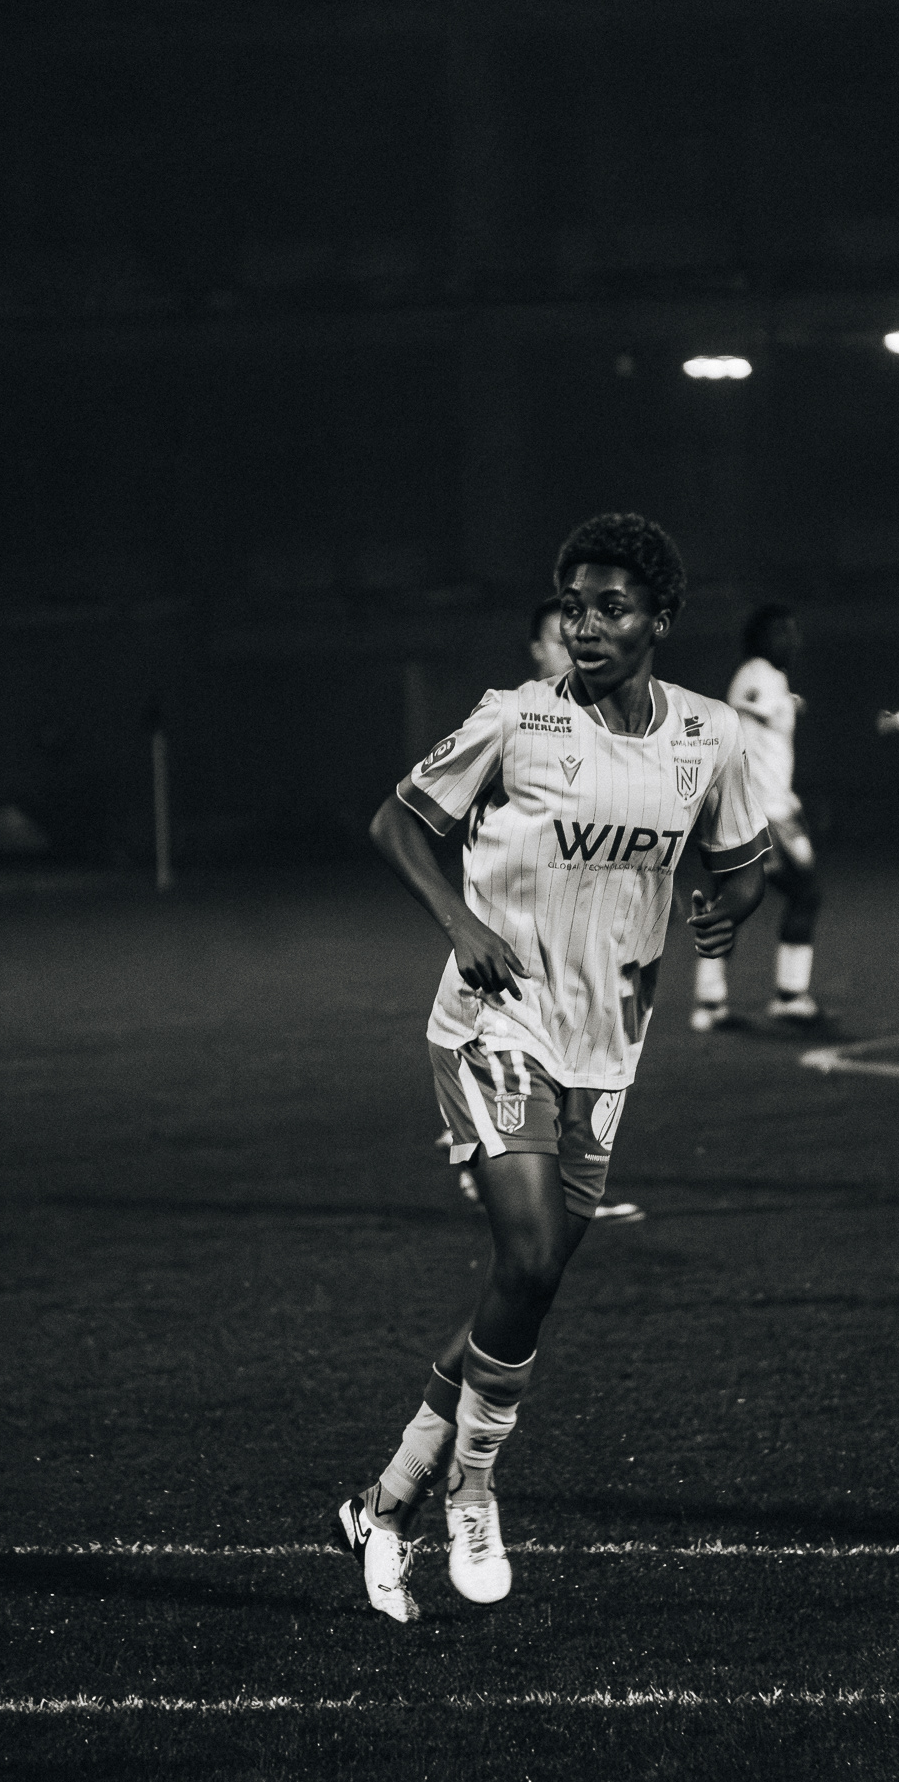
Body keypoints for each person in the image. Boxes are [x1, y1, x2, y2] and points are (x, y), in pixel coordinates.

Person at [335, 512, 770, 1621]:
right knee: (528, 1255)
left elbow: (743, 863)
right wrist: (460, 924)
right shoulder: (515, 721)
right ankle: (473, 1488)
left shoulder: (711, 735)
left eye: (611, 607)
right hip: (495, 1025)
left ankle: (387, 1501)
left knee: (523, 1289)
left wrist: (729, 910)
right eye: (574, 606)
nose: (585, 625)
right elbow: (395, 823)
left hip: (606, 1049)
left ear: (660, 620)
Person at [449, 594, 647, 1226]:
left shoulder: (610, 730)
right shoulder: (511, 724)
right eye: (563, 640)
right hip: (517, 949)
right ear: (538, 649)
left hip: (590, 948)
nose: (580, 648)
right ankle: (500, 1168)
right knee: (529, 1064)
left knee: (580, 1070)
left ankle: (539, 1181)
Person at [691, 604, 822, 1029]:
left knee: (736, 899)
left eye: (793, 630)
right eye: (781, 631)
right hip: (762, 811)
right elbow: (743, 722)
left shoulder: (764, 678)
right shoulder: (762, 675)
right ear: (760, 638)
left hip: (762, 806)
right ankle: (788, 996)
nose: (792, 639)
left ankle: (712, 1002)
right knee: (803, 891)